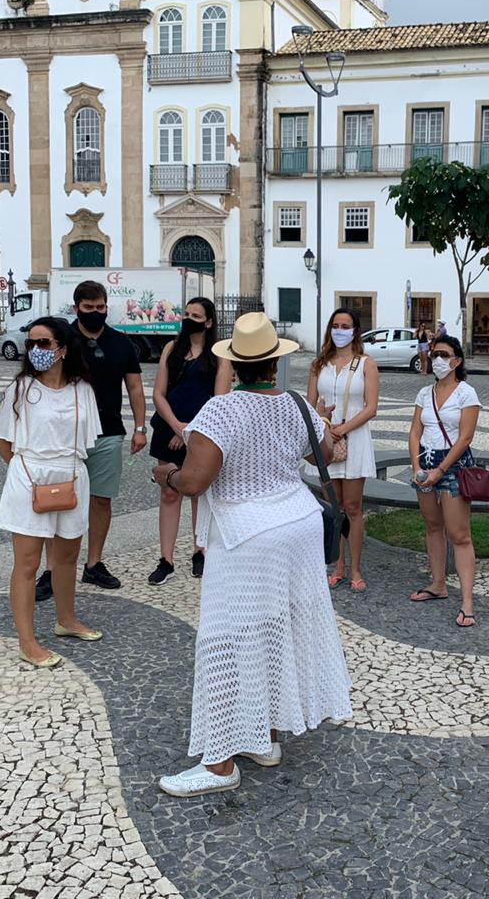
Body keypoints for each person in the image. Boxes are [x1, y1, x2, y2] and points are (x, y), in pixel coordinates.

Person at [150, 313, 352, 797]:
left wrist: (167, 477)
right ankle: (267, 737)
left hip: (247, 535)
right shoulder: (298, 405)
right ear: (276, 362)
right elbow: (328, 451)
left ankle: (220, 764)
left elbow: (196, 480)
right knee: (277, 627)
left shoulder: (221, 411)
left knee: (227, 638)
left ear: (235, 365)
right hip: (297, 527)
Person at [0, 317, 104, 668]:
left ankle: (66, 619)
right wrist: (23, 471)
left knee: (67, 556)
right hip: (29, 476)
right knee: (28, 563)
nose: (36, 350)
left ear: (63, 349)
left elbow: (90, 439)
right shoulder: (22, 388)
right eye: (31, 344)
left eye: (44, 343)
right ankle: (27, 641)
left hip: (71, 475)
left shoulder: (82, 389)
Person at [36, 281, 147, 600]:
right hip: (65, 435)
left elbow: (136, 388)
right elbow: (43, 382)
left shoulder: (121, 343)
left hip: (109, 431)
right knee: (59, 500)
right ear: (76, 308)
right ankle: (52, 569)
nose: (96, 313)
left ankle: (94, 562)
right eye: (89, 308)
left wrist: (140, 427)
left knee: (101, 499)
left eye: (101, 307)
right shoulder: (64, 341)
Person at [407, 335, 481, 627]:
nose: (438, 359)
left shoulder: (466, 393)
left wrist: (441, 469)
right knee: (432, 526)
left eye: (444, 354)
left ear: (457, 361)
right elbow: (414, 431)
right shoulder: (425, 393)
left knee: (459, 534)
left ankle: (467, 602)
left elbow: (465, 437)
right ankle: (437, 584)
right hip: (425, 463)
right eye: (434, 353)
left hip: (454, 465)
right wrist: (416, 464)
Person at [308, 307, 380, 593]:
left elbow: (371, 407)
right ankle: (337, 565)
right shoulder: (319, 365)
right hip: (326, 439)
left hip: (355, 436)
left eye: (345, 325)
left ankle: (356, 568)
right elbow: (311, 403)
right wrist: (325, 427)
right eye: (335, 325)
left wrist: (343, 428)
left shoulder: (366, 364)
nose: (340, 330)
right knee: (333, 506)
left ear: (355, 331)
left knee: (352, 507)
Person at [149, 297, 219, 586]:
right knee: (168, 493)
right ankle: (166, 559)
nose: (189, 318)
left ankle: (199, 550)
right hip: (169, 426)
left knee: (198, 493)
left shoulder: (217, 355)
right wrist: (177, 427)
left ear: (209, 322)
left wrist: (190, 431)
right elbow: (159, 394)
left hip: (201, 431)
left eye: (196, 315)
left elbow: (219, 399)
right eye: (186, 313)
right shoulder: (171, 349)